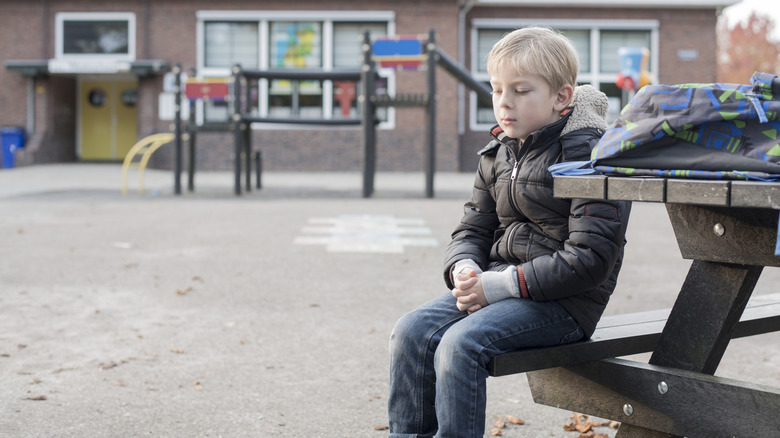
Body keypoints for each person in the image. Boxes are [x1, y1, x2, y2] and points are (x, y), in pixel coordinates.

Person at [387, 27, 631, 437]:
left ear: (561, 98)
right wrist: (463, 267)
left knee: (460, 345)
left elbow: (590, 260)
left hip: (567, 303)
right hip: (499, 285)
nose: (504, 102)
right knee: (412, 331)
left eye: (520, 91)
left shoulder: (590, 159)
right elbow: (473, 227)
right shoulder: (499, 152)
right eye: (497, 90)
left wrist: (499, 285)